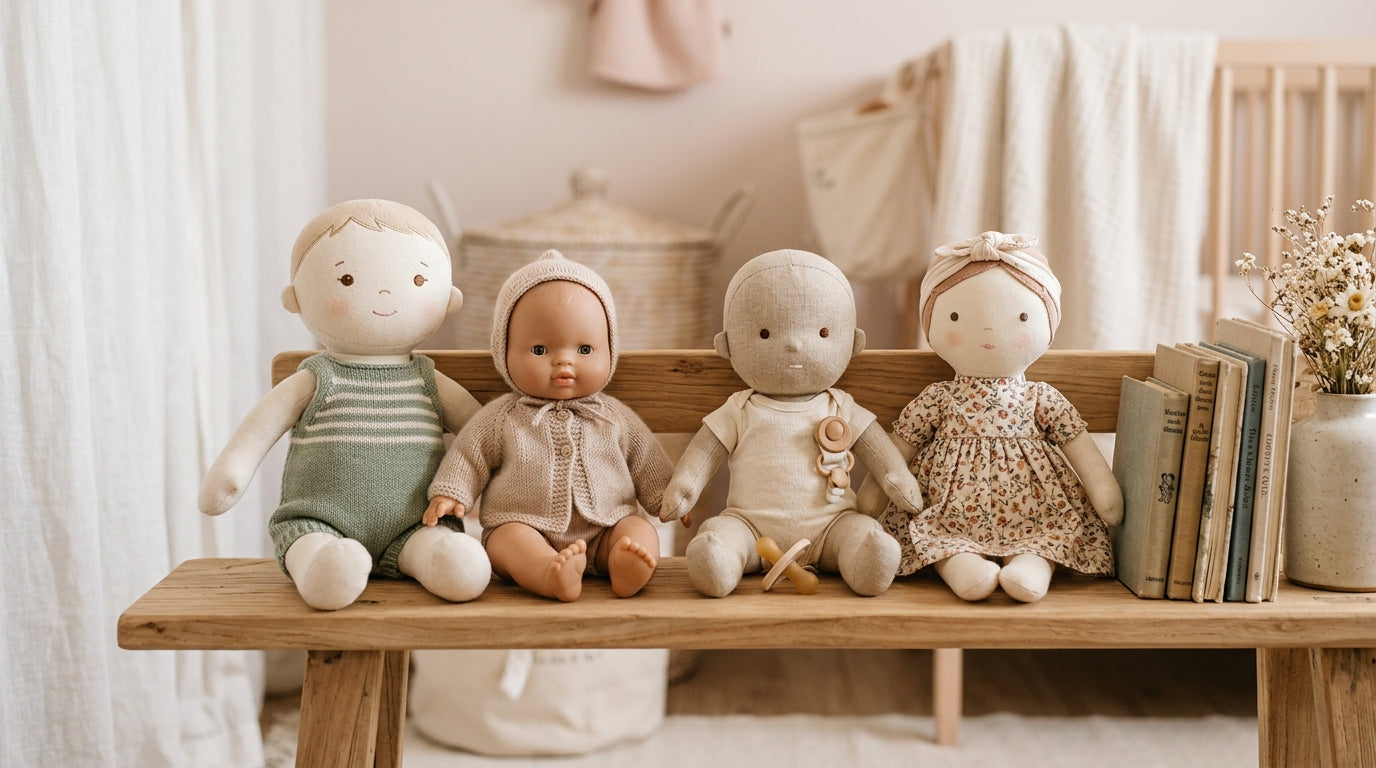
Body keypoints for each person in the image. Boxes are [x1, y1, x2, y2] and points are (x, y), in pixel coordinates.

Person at [199, 199, 491, 610]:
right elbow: (259, 428)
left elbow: (485, 437)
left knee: (456, 561)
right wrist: (229, 476)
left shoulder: (427, 381)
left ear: (449, 298)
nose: (385, 294)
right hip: (318, 522)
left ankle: (440, 556)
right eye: (348, 279)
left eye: (417, 282)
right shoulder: (317, 377)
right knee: (317, 551)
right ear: (297, 298)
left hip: (417, 524)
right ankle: (320, 563)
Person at [861, 231, 1123, 602]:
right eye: (954, 316)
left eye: (1019, 316)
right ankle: (961, 563)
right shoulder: (938, 398)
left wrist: (1105, 496)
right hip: (950, 511)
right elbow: (899, 448)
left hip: (1035, 510)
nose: (987, 329)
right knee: (939, 535)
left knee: (1046, 532)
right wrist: (873, 497)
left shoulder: (1040, 398)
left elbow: (1078, 446)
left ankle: (1032, 562)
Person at [659, 249, 924, 597]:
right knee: (720, 533)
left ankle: (865, 557)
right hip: (750, 527)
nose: (795, 345)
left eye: (823, 332)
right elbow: (703, 456)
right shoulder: (739, 409)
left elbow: (881, 454)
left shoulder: (841, 405)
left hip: (832, 525)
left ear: (853, 342)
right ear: (727, 345)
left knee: (860, 532)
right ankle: (721, 558)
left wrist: (898, 480)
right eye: (765, 333)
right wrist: (684, 490)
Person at [424, 250, 671, 601]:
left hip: (605, 528)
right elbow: (469, 454)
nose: (564, 361)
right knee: (506, 540)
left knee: (638, 528)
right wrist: (452, 491)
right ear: (504, 352)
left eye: (585, 349)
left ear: (610, 351)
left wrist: (665, 497)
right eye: (540, 350)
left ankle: (626, 563)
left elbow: (646, 458)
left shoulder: (613, 417)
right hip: (523, 524)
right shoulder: (503, 417)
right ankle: (546, 571)